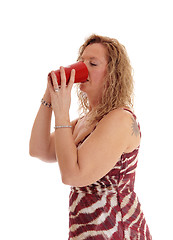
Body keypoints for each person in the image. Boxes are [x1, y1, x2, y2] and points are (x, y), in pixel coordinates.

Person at [29, 34, 152, 239]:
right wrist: (49, 96)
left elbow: (72, 175)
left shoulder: (120, 119)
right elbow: (38, 150)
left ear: (112, 74)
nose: (83, 67)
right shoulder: (84, 121)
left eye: (92, 63)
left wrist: (62, 111)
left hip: (117, 231)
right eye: (81, 61)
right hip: (85, 231)